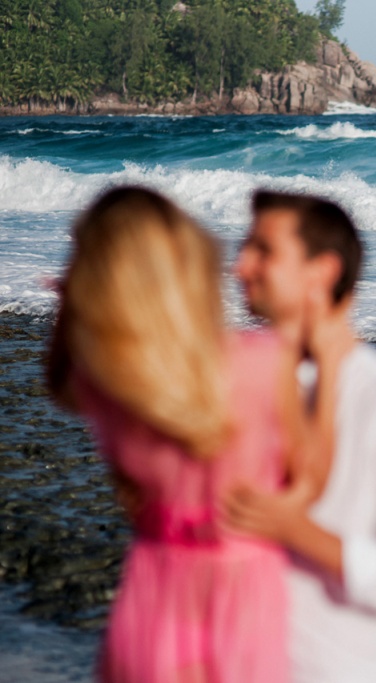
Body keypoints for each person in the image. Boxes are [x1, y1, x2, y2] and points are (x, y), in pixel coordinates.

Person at [47, 186, 296, 683]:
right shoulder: (265, 362)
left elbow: (57, 381)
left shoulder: (109, 380)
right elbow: (310, 476)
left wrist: (73, 306)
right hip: (245, 597)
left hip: (155, 593)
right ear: (194, 267)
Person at [225, 190, 376, 683]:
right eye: (245, 247)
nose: (240, 266)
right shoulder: (236, 384)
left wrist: (297, 532)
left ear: (322, 271)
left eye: (263, 250)